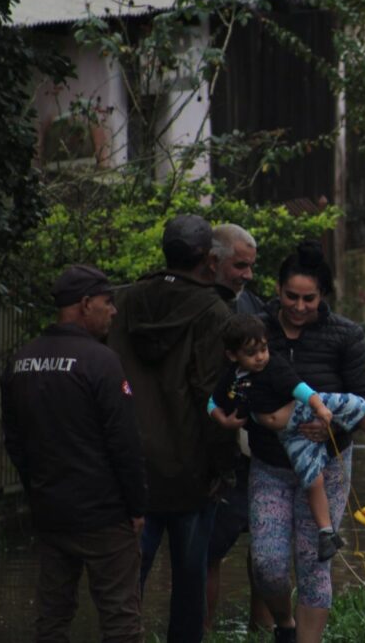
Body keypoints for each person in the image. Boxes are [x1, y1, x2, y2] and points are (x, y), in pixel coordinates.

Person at [247, 240, 365, 643]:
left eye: (309, 298)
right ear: (277, 289)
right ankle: (284, 624)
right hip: (270, 464)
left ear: (322, 295)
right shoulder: (258, 330)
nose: (300, 306)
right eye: (292, 296)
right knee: (267, 562)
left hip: (328, 464)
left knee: (314, 560)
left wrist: (333, 428)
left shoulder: (345, 335)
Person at [1, 264, 146, 642]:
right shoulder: (101, 362)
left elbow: (15, 443)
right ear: (85, 304)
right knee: (120, 619)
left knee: (52, 617)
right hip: (105, 514)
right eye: (107, 302)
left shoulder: (20, 361)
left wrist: (38, 493)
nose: (113, 311)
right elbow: (124, 442)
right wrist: (136, 507)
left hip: (52, 513)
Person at [108, 214, 235, 642]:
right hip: (190, 472)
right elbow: (211, 394)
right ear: (207, 259)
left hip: (132, 469)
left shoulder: (126, 302)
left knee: (128, 584)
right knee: (189, 582)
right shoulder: (214, 311)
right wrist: (223, 465)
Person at [209, 314, 365, 560]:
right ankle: (327, 533)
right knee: (312, 478)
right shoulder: (233, 379)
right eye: (252, 353)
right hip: (288, 435)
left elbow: (301, 388)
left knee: (356, 405)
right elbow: (213, 401)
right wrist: (222, 419)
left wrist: (320, 407)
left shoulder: (274, 365)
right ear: (233, 355)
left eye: (263, 349)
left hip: (304, 410)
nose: (261, 356)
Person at [205, 223, 272, 633]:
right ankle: (204, 631)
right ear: (214, 262)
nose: (247, 275)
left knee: (265, 547)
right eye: (240, 266)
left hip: (257, 447)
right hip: (215, 453)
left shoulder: (253, 307)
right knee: (209, 548)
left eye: (251, 266)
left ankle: (263, 629)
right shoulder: (201, 309)